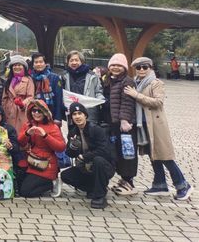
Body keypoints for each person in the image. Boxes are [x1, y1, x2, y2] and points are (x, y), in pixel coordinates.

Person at [124, 57, 193, 200]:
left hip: (156, 124)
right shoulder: (135, 83)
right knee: (153, 154)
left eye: (145, 67)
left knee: (165, 156)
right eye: (138, 67)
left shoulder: (156, 83)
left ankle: (182, 185)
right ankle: (160, 184)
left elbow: (158, 102)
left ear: (150, 68)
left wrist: (136, 95)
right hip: (143, 124)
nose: (141, 70)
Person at [61, 103, 115, 209]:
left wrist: (85, 156)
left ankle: (100, 196)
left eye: (80, 113)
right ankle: (92, 188)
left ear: (85, 115)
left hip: (103, 166)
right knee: (66, 175)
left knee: (98, 160)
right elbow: (69, 154)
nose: (77, 116)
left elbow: (104, 150)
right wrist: (73, 146)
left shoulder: (97, 129)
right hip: (85, 167)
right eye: (74, 114)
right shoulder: (73, 132)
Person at [104, 53, 138, 196]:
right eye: (113, 65)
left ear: (124, 67)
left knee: (127, 153)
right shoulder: (110, 80)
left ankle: (129, 182)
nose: (115, 68)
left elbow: (127, 103)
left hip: (125, 126)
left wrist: (124, 120)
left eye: (119, 65)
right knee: (118, 151)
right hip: (114, 124)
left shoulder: (127, 81)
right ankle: (124, 180)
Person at [17, 100, 66, 198]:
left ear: (45, 113)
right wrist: (27, 134)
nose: (36, 113)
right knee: (19, 187)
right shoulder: (28, 125)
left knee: (26, 192)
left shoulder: (53, 127)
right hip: (31, 161)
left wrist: (45, 136)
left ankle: (52, 184)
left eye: (39, 111)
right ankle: (43, 183)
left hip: (45, 164)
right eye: (34, 110)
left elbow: (61, 147)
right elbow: (21, 142)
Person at [62, 50, 105, 123]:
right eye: (71, 60)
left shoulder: (92, 76)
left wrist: (101, 100)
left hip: (89, 112)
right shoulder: (64, 76)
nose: (74, 63)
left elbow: (98, 91)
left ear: (81, 61)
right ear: (68, 62)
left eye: (76, 60)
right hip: (72, 112)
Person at [2, 55, 35, 133]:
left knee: (22, 133)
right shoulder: (8, 80)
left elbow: (31, 96)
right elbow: (4, 98)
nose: (17, 67)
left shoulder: (28, 80)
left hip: (22, 112)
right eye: (15, 65)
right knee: (10, 134)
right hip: (9, 112)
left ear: (24, 67)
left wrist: (22, 104)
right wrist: (4, 110)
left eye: (19, 65)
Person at [30, 52, 64, 126]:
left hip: (51, 113)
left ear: (45, 63)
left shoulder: (55, 78)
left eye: (41, 62)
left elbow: (59, 98)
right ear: (33, 65)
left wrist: (58, 117)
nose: (38, 64)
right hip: (35, 114)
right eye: (36, 62)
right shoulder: (30, 78)